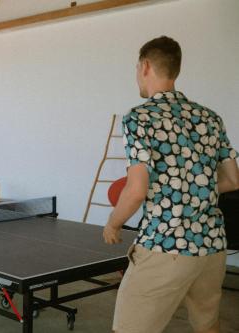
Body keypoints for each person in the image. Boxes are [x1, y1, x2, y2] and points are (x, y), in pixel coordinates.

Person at [103, 36, 239, 333]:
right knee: (208, 326)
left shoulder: (139, 118)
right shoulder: (210, 118)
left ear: (146, 66)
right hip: (212, 245)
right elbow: (232, 179)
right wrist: (191, 183)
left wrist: (113, 224)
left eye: (136, 67)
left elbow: (136, 190)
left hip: (166, 245)